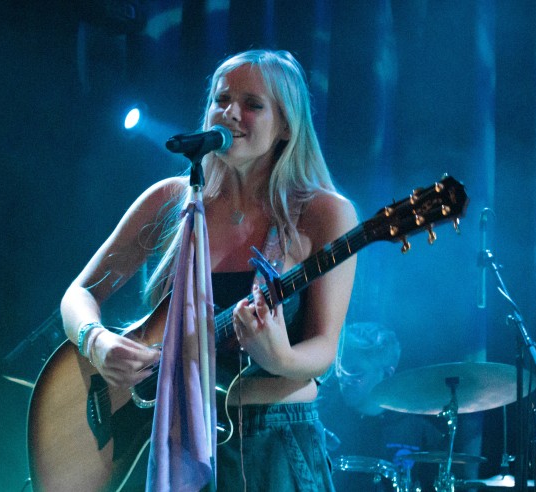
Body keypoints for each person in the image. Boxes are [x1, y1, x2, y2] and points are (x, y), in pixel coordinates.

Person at [60, 49, 358, 491]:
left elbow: (325, 348)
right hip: (167, 435)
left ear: (286, 126)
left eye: (252, 105)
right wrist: (96, 341)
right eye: (221, 100)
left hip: (272, 439)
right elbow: (78, 294)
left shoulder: (322, 213)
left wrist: (280, 357)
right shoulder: (170, 199)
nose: (230, 113)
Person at [319, 322, 445, 492]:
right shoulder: (322, 422)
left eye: (356, 372)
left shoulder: (420, 433)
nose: (344, 379)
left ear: (386, 373)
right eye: (341, 369)